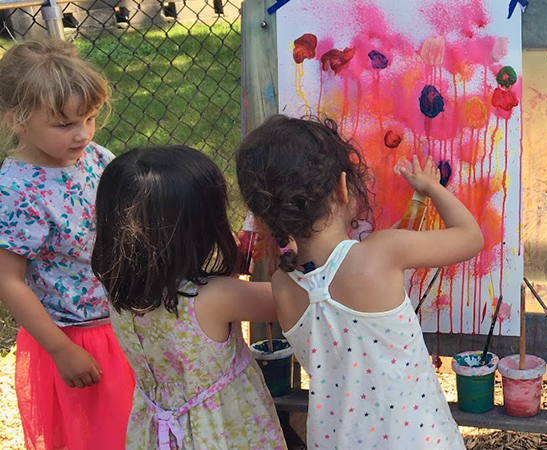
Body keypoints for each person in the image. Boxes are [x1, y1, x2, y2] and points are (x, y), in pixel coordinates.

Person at [236, 115, 484, 449]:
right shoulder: (382, 252)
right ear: (342, 187)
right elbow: (470, 238)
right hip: (416, 439)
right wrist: (431, 188)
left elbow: (322, 277)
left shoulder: (284, 285)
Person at [91, 145, 287, 450]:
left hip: (157, 430)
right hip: (223, 429)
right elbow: (289, 302)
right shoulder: (217, 297)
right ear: (201, 227)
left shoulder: (119, 286)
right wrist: (289, 248)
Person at [0, 38, 134, 450]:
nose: (83, 134)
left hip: (124, 321)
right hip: (77, 339)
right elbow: (9, 281)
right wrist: (61, 350)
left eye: (90, 118)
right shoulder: (17, 191)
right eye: (65, 125)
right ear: (16, 121)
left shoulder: (95, 157)